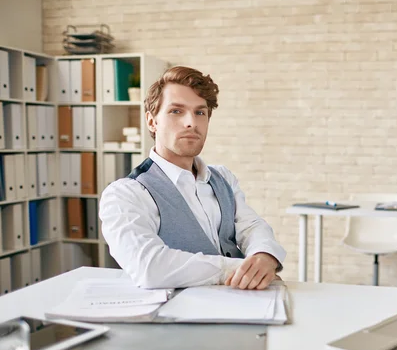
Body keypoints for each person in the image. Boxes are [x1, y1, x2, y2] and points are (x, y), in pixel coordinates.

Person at [99, 66, 286, 290]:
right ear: (152, 122)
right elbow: (148, 267)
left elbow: (252, 226)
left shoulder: (223, 177)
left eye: (200, 112)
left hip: (243, 305)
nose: (191, 122)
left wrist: (264, 255)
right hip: (177, 317)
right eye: (176, 111)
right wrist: (236, 268)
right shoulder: (126, 194)